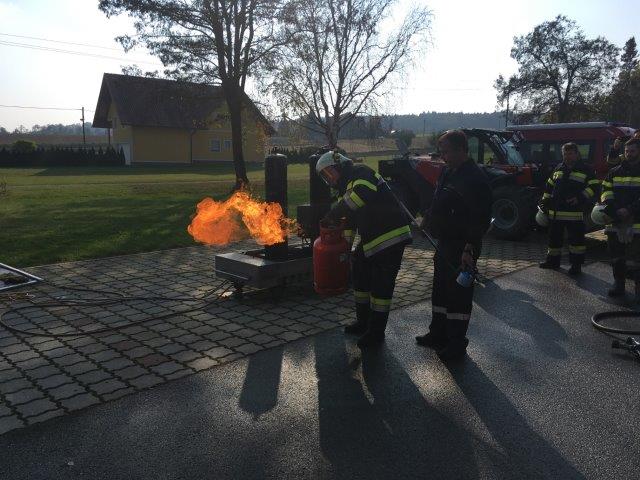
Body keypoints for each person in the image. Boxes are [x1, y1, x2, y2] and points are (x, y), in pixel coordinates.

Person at [317, 151, 412, 348]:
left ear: (339, 165)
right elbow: (350, 221)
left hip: (391, 237)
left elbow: (360, 197)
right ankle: (363, 323)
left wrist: (333, 213)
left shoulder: (361, 172)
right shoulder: (347, 187)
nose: (329, 179)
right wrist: (345, 248)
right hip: (373, 239)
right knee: (360, 276)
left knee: (381, 288)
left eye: (329, 173)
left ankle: (376, 333)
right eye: (325, 177)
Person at [415, 130, 492, 361]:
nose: (443, 156)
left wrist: (469, 249)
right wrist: (426, 219)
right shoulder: (448, 172)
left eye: (446, 152)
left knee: (459, 296)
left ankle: (457, 343)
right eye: (441, 151)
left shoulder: (475, 178)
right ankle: (437, 333)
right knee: (440, 290)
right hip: (444, 242)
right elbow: (438, 199)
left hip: (463, 245)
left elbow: (480, 218)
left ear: (461, 150)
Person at [538, 143, 599, 275]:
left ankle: (576, 266)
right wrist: (544, 202)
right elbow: (549, 186)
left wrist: (580, 197)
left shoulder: (585, 169)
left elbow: (594, 187)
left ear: (577, 154)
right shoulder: (558, 168)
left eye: (570, 153)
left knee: (576, 241)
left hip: (574, 213)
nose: (567, 156)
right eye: (565, 154)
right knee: (554, 239)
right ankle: (552, 262)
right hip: (555, 213)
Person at [599, 138, 640, 300]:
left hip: (637, 221)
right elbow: (605, 191)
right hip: (615, 220)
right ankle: (619, 284)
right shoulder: (614, 171)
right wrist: (615, 209)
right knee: (616, 256)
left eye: (632, 151)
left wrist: (629, 210)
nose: (629, 154)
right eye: (626, 151)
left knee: (637, 258)